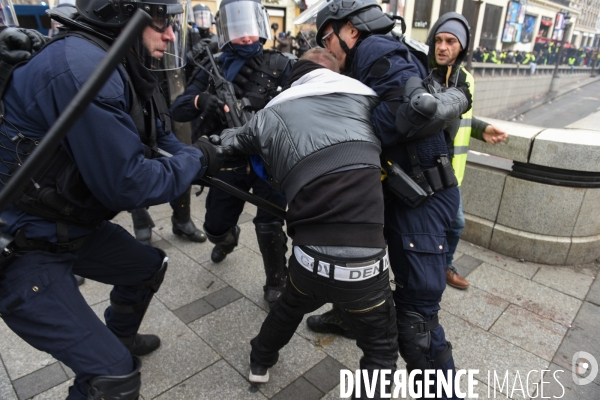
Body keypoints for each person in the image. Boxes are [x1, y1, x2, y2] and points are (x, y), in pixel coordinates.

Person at [0, 0, 226, 398]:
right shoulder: (85, 67)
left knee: (147, 267)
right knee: (114, 379)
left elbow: (161, 139)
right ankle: (110, 359)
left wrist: (208, 155)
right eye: (160, 22)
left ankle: (118, 337)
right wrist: (196, 158)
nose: (171, 34)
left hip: (68, 226)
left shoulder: (121, 62)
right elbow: (127, 184)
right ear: (119, 14)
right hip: (23, 245)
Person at [304, 0, 471, 397]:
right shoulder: (377, 50)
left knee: (418, 320)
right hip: (408, 196)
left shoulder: (374, 49)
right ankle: (347, 318)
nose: (327, 48)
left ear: (351, 30)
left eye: (328, 38)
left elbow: (405, 107)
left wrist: (347, 138)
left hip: (422, 201)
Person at [220, 48, 397, 399]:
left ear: (294, 78)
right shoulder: (371, 104)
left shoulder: (271, 114)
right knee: (380, 351)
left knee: (287, 310)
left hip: (308, 261)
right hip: (366, 270)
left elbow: (230, 143)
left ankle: (260, 363)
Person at [170, 0, 295, 304]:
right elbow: (179, 109)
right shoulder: (212, 65)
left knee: (270, 223)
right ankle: (228, 239)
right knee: (214, 227)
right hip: (228, 160)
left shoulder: (280, 64)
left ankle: (276, 282)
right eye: (239, 30)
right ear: (226, 31)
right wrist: (202, 101)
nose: (247, 37)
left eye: (251, 29)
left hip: (269, 159)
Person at [426, 12, 508, 290]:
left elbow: (462, 118)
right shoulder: (423, 75)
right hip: (423, 170)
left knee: (455, 224)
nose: (442, 47)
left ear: (462, 46)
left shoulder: (467, 79)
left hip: (451, 175)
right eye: (438, 39)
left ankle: (444, 266)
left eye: (450, 41)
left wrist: (481, 129)